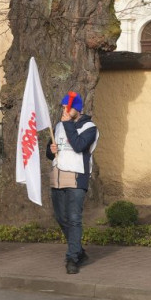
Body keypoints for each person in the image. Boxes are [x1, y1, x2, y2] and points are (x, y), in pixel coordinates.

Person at [45, 91, 99, 275]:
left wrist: (68, 123)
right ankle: (79, 251)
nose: (63, 110)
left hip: (76, 178)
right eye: (62, 106)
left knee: (74, 219)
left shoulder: (90, 128)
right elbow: (49, 151)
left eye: (66, 106)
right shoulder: (59, 125)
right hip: (57, 178)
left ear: (76, 108)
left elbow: (78, 146)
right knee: (61, 218)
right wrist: (51, 150)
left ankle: (72, 258)